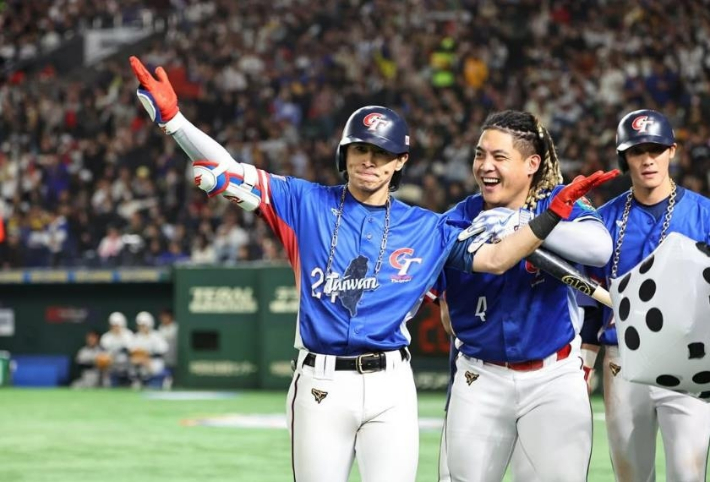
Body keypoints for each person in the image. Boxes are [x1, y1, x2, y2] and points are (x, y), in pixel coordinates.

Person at [129, 56, 617, 482]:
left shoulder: (428, 227)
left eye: (381, 153)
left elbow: (494, 259)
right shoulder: (304, 202)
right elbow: (230, 168)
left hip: (392, 384)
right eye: (361, 149)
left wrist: (547, 216)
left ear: (399, 161)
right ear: (345, 153)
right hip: (321, 382)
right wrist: (174, 122)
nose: (370, 161)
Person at [435, 110, 614, 482]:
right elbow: (446, 313)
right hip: (479, 378)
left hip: (554, 376)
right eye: (479, 154)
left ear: (532, 163)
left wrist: (525, 224)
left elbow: (599, 249)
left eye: (499, 157)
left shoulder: (559, 204)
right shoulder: (458, 219)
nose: (485, 166)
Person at [581, 109, 710, 482]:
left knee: (688, 476)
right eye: (638, 151)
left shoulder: (704, 215)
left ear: (672, 151)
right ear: (625, 158)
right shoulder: (603, 220)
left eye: (655, 149)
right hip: (622, 358)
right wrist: (585, 362)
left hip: (688, 357)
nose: (648, 159)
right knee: (632, 477)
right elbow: (591, 302)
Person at [128, 311, 169, 389]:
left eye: (144, 325)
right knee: (132, 361)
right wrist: (140, 356)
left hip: (154, 361)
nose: (142, 327)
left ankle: (163, 379)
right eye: (140, 325)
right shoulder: (136, 337)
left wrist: (147, 355)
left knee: (151, 364)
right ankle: (136, 381)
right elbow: (131, 352)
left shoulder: (156, 336)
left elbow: (163, 350)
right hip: (139, 363)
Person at [99, 311, 134, 387]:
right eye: (113, 325)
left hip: (126, 365)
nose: (115, 327)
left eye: (117, 325)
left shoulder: (128, 335)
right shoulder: (106, 337)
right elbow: (103, 353)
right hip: (111, 366)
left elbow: (130, 352)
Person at [157, 307, 178, 387]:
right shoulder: (161, 328)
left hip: (174, 356)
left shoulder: (176, 327)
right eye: (162, 317)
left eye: (165, 316)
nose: (163, 318)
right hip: (164, 358)